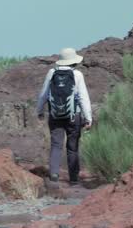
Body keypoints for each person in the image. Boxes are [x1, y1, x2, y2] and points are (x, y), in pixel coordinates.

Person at [35, 47, 92, 184]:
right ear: (74, 61)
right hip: (74, 116)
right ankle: (73, 179)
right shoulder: (77, 74)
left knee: (56, 145)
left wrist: (40, 111)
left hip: (55, 115)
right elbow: (83, 97)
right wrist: (88, 117)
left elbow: (44, 94)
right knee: (73, 147)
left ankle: (54, 174)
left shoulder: (51, 72)